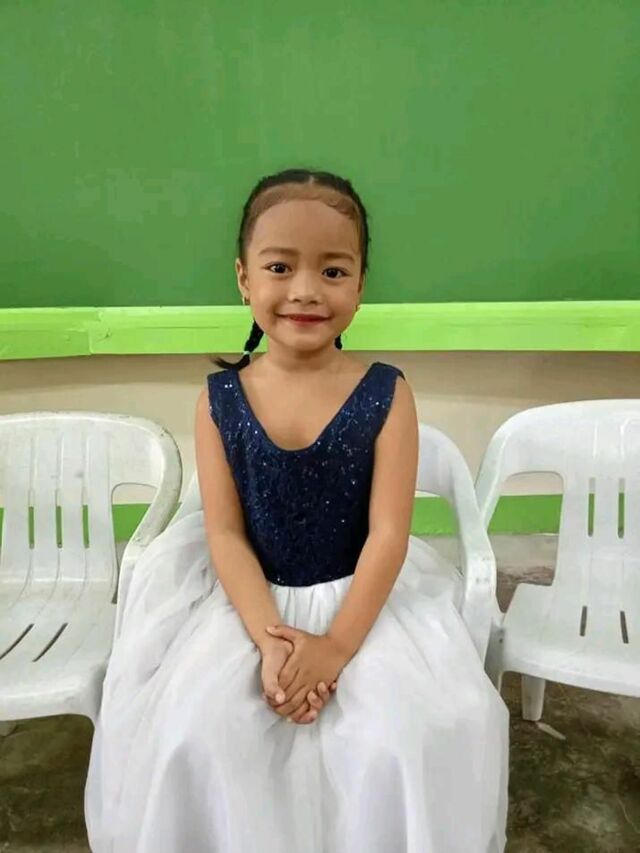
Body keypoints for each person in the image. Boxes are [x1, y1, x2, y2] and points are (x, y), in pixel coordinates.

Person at [84, 167, 509, 852]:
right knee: (196, 731)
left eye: (333, 270)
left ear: (361, 283)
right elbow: (225, 533)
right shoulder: (217, 401)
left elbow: (388, 535)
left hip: (364, 599)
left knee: (409, 734)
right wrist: (274, 643)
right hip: (250, 601)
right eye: (280, 267)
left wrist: (334, 649)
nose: (306, 289)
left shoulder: (389, 393)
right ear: (244, 278)